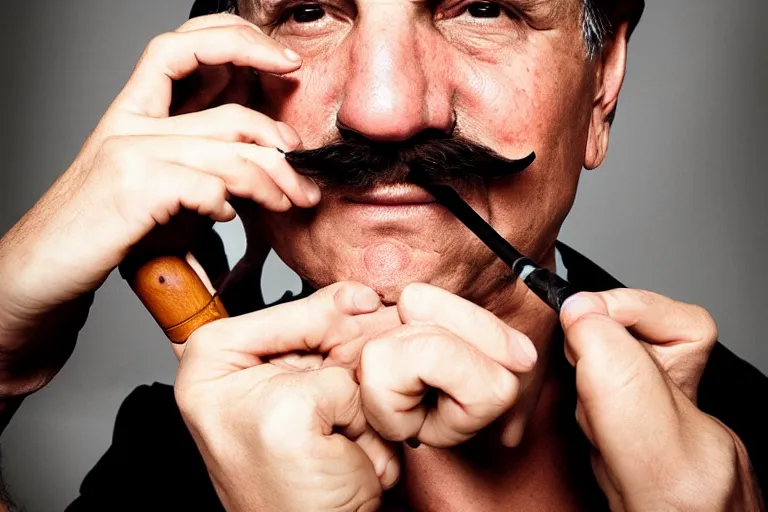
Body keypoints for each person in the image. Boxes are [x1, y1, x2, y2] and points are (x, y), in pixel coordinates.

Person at [0, 0, 765, 510]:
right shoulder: (165, 462)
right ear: (227, 95)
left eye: (483, 6)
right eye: (307, 11)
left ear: (602, 85)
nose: (386, 110)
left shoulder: (746, 450)